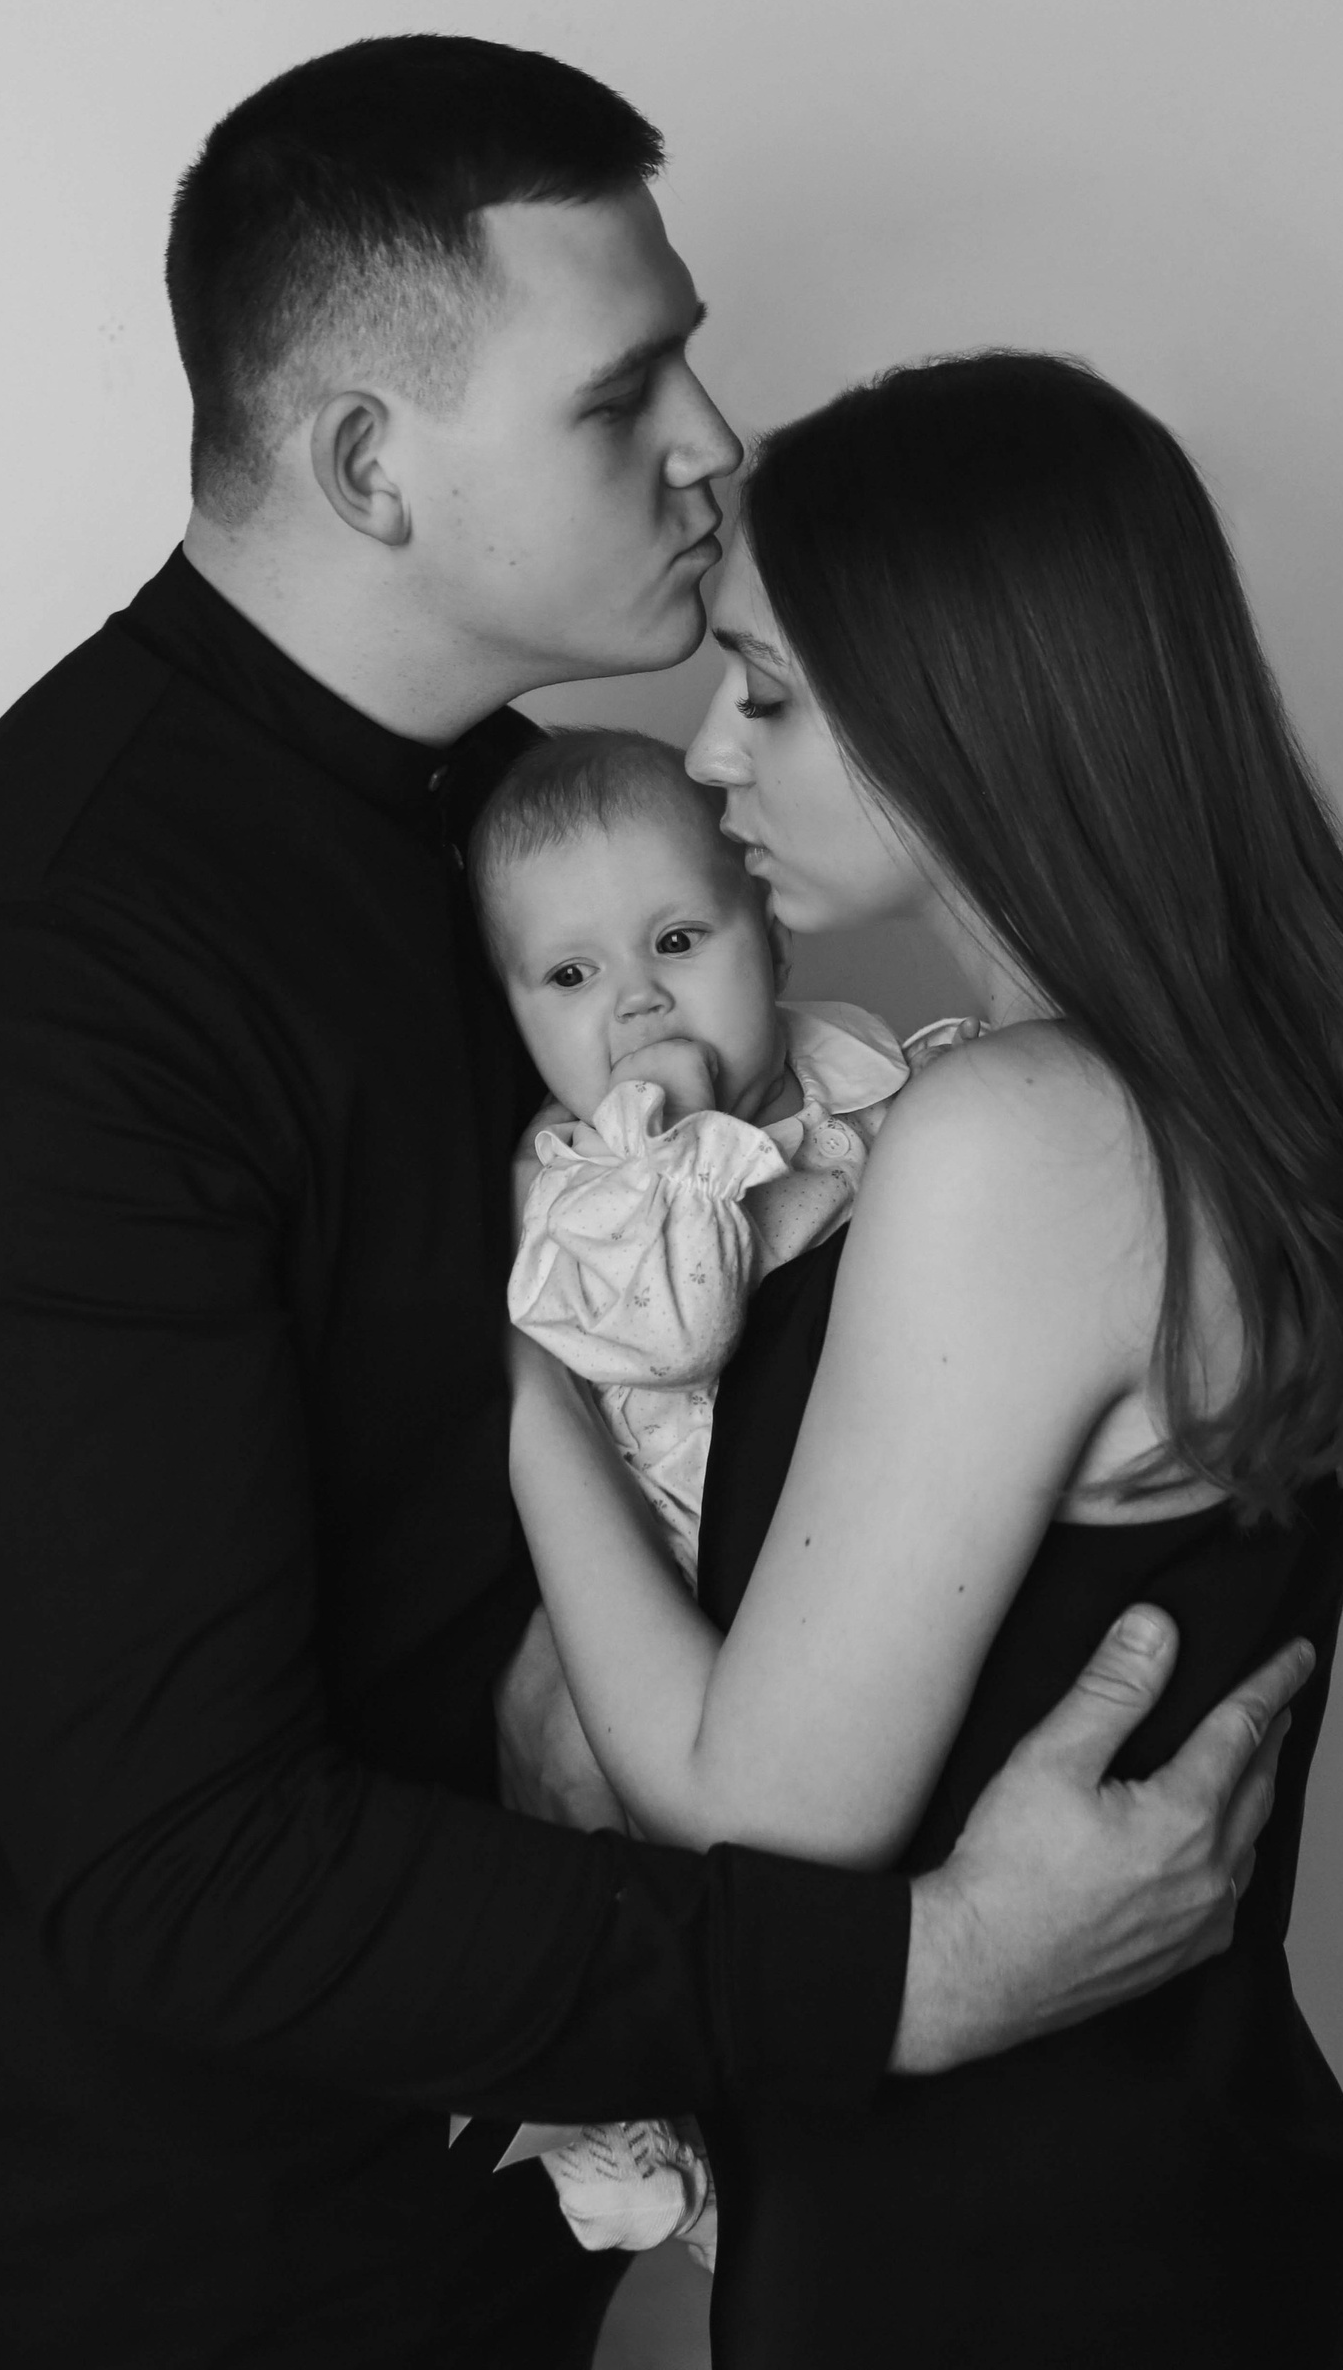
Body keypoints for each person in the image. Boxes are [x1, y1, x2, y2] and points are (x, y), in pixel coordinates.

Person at [0, 39, 1310, 2370]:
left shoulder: (561, 853)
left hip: (504, 2230)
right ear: (372, 464)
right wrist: (922, 1973)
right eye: (622, 389)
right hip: (120, 2296)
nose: (713, 440)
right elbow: (183, 1875)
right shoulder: (13, 1013)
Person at [506, 350, 1343, 2367]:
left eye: (768, 692)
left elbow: (755, 1816)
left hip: (983, 2243)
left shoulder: (1020, 1135)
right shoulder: (1240, 1093)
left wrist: (529, 1387)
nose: (710, 756)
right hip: (1185, 2180)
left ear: (961, 704)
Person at [472, 724, 973, 2261]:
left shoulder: (852, 1072)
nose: (634, 1003)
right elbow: (677, 1327)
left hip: (805, 1576)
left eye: (678, 941)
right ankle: (627, 2120)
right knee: (593, 1830)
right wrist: (679, 1139)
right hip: (651, 1584)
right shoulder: (582, 1179)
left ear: (771, 929)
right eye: (569, 976)